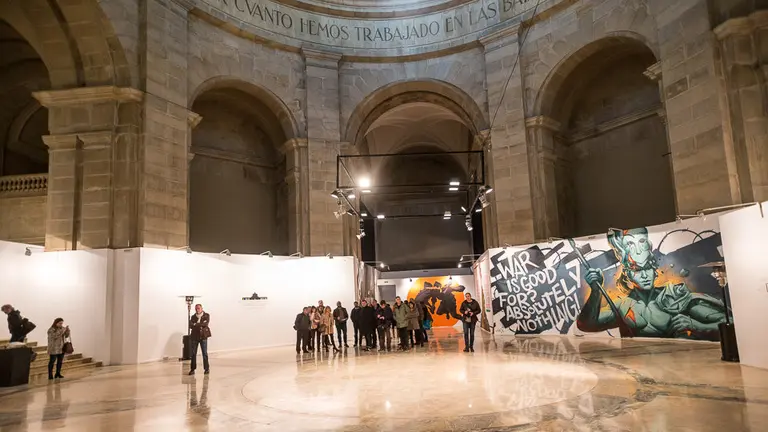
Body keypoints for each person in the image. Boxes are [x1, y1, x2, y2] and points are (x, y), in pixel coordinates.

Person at [188, 304, 211, 375]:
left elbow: (205, 324)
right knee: (193, 354)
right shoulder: (193, 316)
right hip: (194, 337)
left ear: (201, 308)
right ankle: (192, 369)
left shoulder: (206, 315)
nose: (197, 310)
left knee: (204, 353)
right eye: (196, 309)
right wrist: (198, 324)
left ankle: (206, 369)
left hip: (203, 337)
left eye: (198, 308)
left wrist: (196, 324)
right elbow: (190, 325)